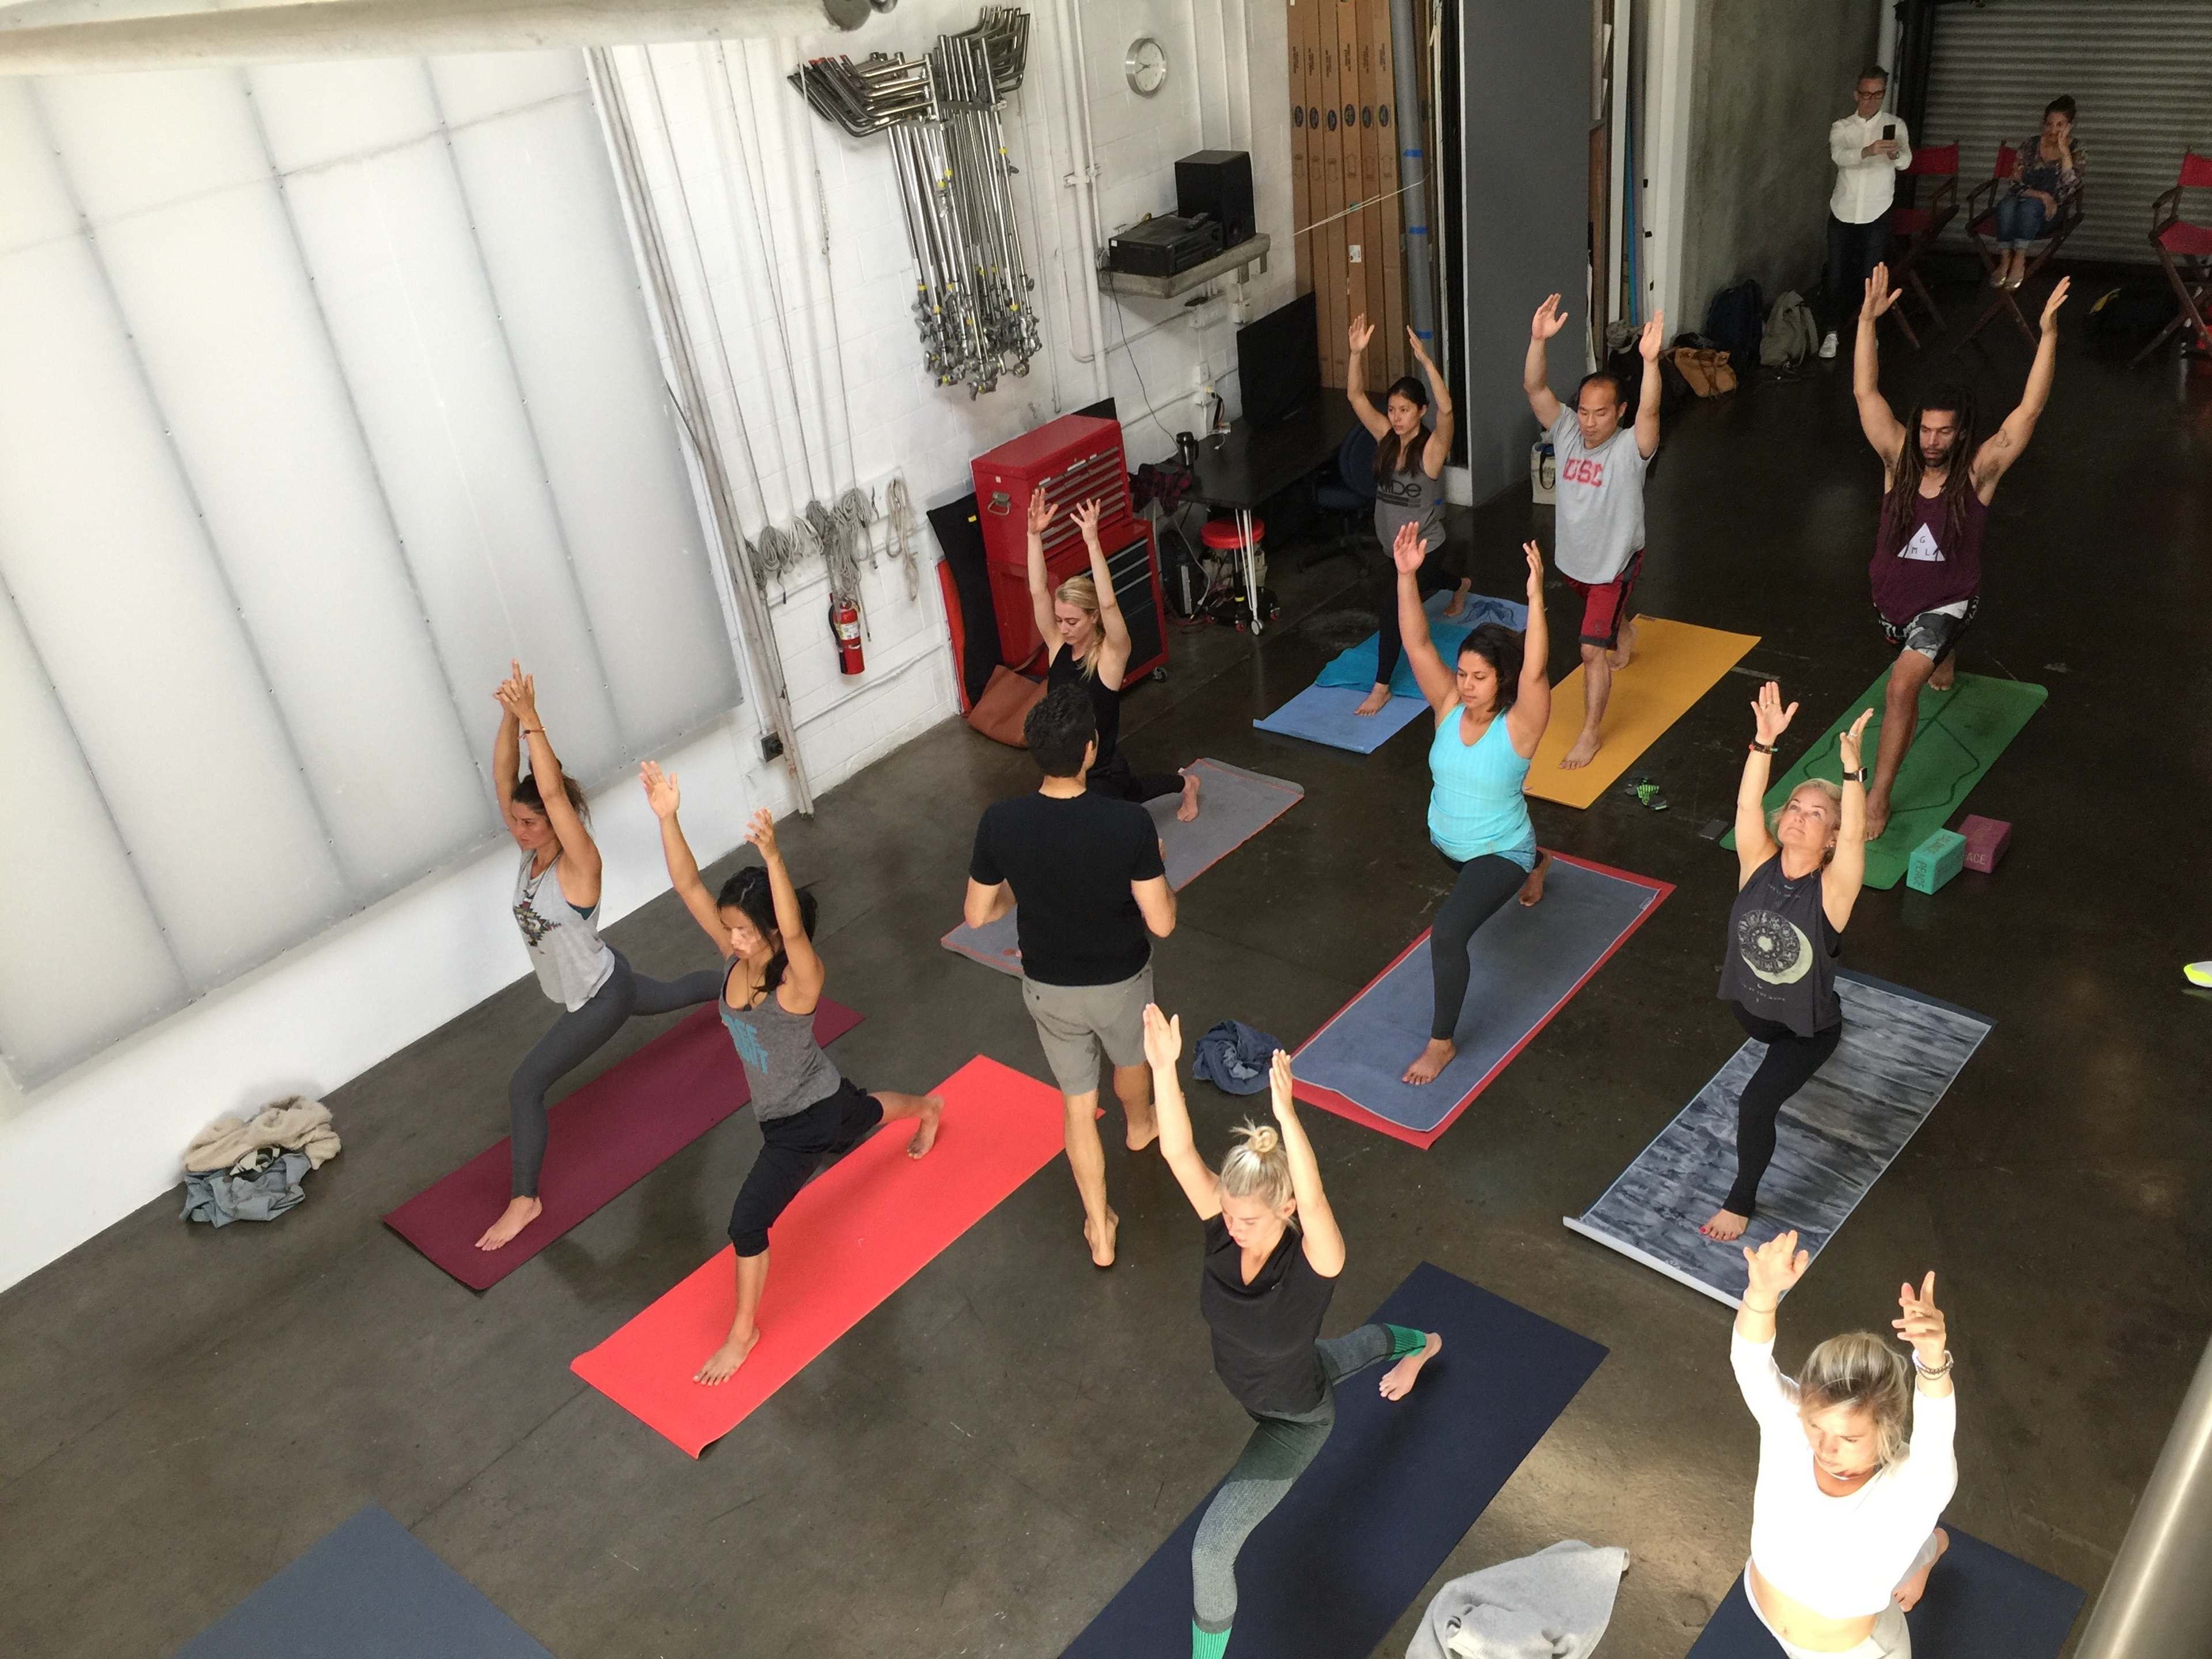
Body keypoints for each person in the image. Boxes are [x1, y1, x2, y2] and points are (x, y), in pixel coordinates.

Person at [1141, 1005, 1441, 1659]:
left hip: (1293, 1418)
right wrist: (1163, 1067)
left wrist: (1289, 1118)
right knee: (1355, 1350)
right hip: (1284, 1372)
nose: (1233, 1226)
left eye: (1248, 1218)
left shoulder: (1315, 1262)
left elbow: (1319, 1201)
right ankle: (1424, 1345)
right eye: (1228, 1213)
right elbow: (1177, 1150)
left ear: (1285, 1207)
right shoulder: (1224, 1229)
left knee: (1211, 1550)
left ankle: (1426, 1347)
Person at [642, 775, 943, 1385]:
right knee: (865, 1112)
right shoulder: (736, 957)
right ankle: (928, 1107)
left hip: (800, 1123)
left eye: (744, 930)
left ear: (772, 931)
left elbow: (797, 933)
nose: (732, 939)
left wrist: (774, 856)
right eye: (729, 928)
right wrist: (667, 817)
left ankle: (743, 1332)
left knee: (747, 1223)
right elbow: (687, 885)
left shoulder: (798, 981)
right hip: (818, 1097)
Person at [478, 663, 723, 1252]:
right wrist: (509, 717)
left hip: (599, 998)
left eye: (529, 823)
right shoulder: (530, 852)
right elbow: (506, 777)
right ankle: (738, 987)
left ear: (555, 824)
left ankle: (525, 1200)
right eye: (516, 820)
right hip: (609, 972)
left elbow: (551, 793)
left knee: (525, 1087)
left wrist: (534, 720)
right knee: (673, 994)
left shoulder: (580, 864)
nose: (517, 829)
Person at [1853, 264, 2068, 840]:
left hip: (1948, 602)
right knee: (1923, 658)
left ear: (1961, 432)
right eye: (1925, 430)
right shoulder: (1898, 458)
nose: (1931, 442)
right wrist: (1867, 323)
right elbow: (1866, 393)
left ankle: (1878, 798)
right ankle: (1943, 661)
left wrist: (2047, 336)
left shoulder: (1978, 473)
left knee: (1902, 686)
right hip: (1892, 601)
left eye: (1944, 433)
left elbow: (2028, 412)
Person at [965, 684, 1177, 1266]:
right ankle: (1140, 1127)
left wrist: (1024, 886)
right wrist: (1158, 868)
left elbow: (978, 913)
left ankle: (1099, 1228)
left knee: (1078, 1106)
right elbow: (1162, 923)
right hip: (1120, 982)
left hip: (1048, 988)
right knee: (1130, 1062)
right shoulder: (1128, 823)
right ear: (1090, 749)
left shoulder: (1001, 821)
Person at [1700, 687, 1874, 1243]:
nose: (1800, 817)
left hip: (1807, 1031)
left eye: (1816, 814)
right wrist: (1764, 743)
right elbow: (1747, 806)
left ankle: (1740, 1200)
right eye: (1796, 807)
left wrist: (1852, 774)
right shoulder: (1757, 861)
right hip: (1754, 1014)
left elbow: (1857, 838)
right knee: (1788, 1006)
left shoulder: (1833, 890)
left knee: (1755, 1105)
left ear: (1831, 838)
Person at [1732, 1230, 1957, 1657]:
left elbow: (1936, 1435)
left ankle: (1930, 1548)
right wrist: (1760, 1295)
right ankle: (1925, 1549)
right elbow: (1750, 1362)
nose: (1825, 1448)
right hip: (1767, 1606)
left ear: (1888, 1428)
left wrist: (1932, 1361)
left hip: (1854, 1652)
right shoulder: (1790, 1425)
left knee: (1903, 1533)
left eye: (1850, 1438)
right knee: (1885, 1545)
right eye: (1817, 1425)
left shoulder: (1915, 1486)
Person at [1389, 522, 1554, 1085]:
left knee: (1448, 933)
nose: (1465, 685)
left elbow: (1536, 669)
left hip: (1497, 852)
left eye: (1479, 677)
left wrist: (1536, 599)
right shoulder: (1447, 704)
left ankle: (1441, 1044)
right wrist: (1406, 577)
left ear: (1501, 679)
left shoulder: (1521, 725)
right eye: (1461, 673)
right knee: (1473, 881)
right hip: (1449, 845)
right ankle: (1541, 866)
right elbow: (1416, 644)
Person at [1525, 296, 1663, 769]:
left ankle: (1590, 734)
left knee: (1590, 650)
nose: (1588, 422)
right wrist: (1538, 340)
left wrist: (1650, 362)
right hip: (1575, 563)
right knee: (1603, 624)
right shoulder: (1566, 430)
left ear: (1620, 412)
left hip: (1614, 566)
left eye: (1600, 413)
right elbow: (1534, 386)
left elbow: (1650, 412)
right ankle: (1623, 630)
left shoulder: (1631, 448)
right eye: (1583, 411)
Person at [1027, 490, 1200, 821]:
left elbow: (1108, 603)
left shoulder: (1111, 656)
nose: (1063, 628)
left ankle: (1187, 784)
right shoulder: (1058, 646)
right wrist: (1033, 535)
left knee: (1113, 810)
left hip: (1102, 771)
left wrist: (1092, 542)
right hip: (1069, 766)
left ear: (1092, 617)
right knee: (1129, 795)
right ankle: (1186, 783)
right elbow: (1037, 592)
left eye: (1072, 621)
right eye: (1060, 620)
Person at [1344, 313, 1468, 716]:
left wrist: (1427, 363)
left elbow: (1447, 412)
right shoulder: (1386, 438)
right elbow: (1355, 397)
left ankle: (1381, 688)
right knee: (1426, 587)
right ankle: (1460, 584)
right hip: (1394, 549)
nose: (1396, 417)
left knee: (1392, 611)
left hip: (1424, 549)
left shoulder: (1431, 452)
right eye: (1393, 409)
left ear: (1421, 411)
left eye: (1405, 410)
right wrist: (1355, 354)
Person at [1820, 65, 1912, 360]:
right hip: (1844, 208)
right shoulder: (1842, 127)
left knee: (1872, 276)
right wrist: (1869, 151)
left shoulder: (1895, 125)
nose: (1871, 100)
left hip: (1877, 209)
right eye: (1865, 94)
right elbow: (1839, 156)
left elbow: (1906, 162)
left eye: (1877, 95)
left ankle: (1870, 333)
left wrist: (1894, 153)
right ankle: (1831, 332)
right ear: (1856, 94)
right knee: (1836, 274)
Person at [1990, 96, 2082, 290]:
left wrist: (2065, 153)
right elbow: (2014, 183)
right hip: (2021, 204)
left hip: (2049, 215)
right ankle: (2005, 260)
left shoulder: (2076, 150)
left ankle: (2020, 259)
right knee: (2005, 205)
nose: (2053, 130)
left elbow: (2069, 191)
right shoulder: (2030, 145)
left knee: (2030, 208)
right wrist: (2043, 196)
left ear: (2069, 126)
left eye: (2060, 125)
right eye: (2049, 124)